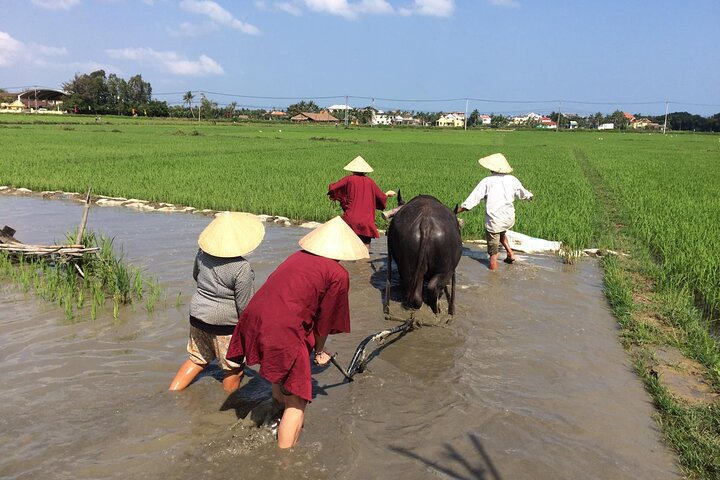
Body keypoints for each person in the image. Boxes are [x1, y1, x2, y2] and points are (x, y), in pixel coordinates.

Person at [226, 216, 368, 449]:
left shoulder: (297, 257)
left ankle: (274, 413)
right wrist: (320, 351)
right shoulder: (337, 274)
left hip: (254, 318)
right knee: (298, 401)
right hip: (283, 329)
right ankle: (284, 464)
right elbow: (325, 320)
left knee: (280, 373)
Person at [169, 211, 265, 393]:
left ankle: (172, 393)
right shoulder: (241, 267)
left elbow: (196, 276)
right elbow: (245, 306)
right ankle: (225, 414)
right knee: (233, 368)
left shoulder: (202, 254)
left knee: (197, 358)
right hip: (224, 326)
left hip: (198, 316)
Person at [456, 153, 533, 271]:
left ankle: (494, 276)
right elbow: (523, 193)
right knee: (501, 232)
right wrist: (528, 196)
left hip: (494, 220)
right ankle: (510, 254)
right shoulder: (512, 179)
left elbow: (471, 201)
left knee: (493, 254)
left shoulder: (487, 181)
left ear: (491, 168)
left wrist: (457, 211)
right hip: (508, 218)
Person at [327, 155, 396, 246]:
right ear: (365, 171)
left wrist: (339, 196)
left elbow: (333, 189)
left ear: (352, 169)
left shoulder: (348, 180)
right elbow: (380, 197)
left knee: (348, 248)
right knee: (365, 248)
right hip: (366, 222)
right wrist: (387, 194)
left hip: (350, 220)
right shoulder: (370, 182)